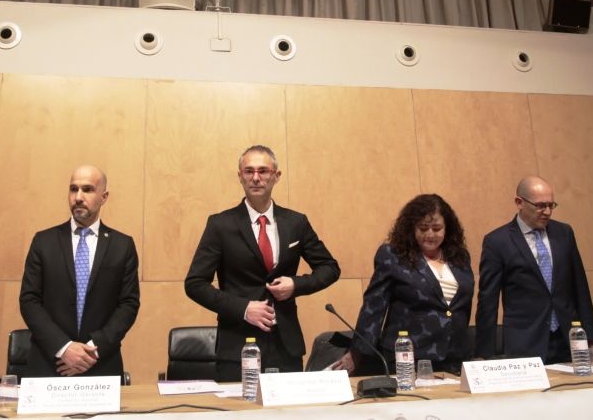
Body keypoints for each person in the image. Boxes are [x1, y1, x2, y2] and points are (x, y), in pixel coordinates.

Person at [185, 145, 340, 381]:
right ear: (240, 176)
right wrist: (244, 308)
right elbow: (195, 284)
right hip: (237, 348)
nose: (255, 178)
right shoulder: (220, 225)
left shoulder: (296, 222)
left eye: (263, 171)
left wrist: (296, 285)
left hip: (286, 348)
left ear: (276, 176)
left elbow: (330, 268)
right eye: (248, 171)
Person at [19, 165, 140, 377]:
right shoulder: (43, 242)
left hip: (100, 365)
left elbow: (128, 304)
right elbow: (29, 300)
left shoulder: (123, 246)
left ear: (104, 197)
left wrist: (92, 351)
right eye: (73, 189)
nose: (78, 197)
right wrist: (65, 348)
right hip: (50, 364)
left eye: (88, 189)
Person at [333, 194, 474, 375]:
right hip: (408, 360)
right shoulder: (393, 256)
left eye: (437, 228)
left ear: (448, 229)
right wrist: (357, 353)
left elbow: (462, 307)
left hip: (454, 358)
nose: (430, 234)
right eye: (423, 228)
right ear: (411, 228)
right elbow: (374, 307)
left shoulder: (460, 257)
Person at [476, 176, 593, 363]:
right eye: (540, 206)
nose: (547, 212)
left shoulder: (564, 233)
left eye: (551, 205)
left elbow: (580, 286)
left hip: (568, 338)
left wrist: (590, 337)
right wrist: (483, 353)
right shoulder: (497, 241)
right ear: (519, 202)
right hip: (525, 341)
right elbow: (488, 301)